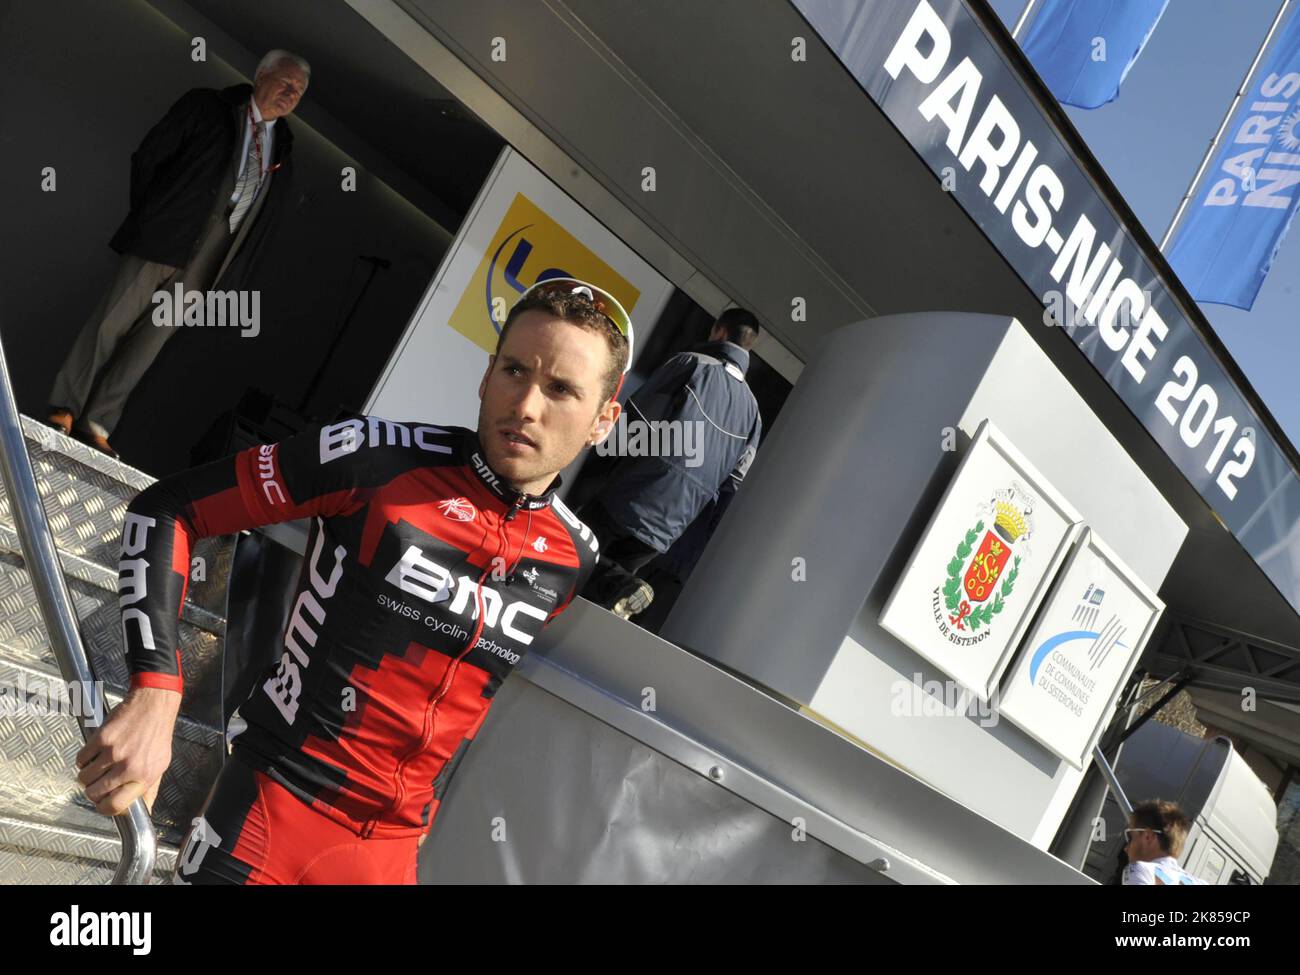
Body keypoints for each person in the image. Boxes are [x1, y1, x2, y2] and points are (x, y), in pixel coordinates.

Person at [74, 278, 632, 884]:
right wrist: (156, 694)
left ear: (604, 420)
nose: (525, 405)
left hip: (389, 856)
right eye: (514, 371)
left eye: (560, 390)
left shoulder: (573, 556)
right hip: (272, 812)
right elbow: (169, 508)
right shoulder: (373, 459)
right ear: (485, 375)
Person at [47, 50, 309, 459]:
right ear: (261, 75)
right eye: (285, 82)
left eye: (299, 91)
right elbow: (150, 157)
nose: (291, 94)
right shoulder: (209, 107)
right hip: (164, 240)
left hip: (208, 266)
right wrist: (153, 218)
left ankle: (97, 422)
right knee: (109, 324)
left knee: (147, 348)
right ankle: (66, 406)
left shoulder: (283, 152)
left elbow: (262, 226)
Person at [579, 307, 762, 618]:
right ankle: (618, 591)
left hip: (632, 495)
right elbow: (734, 479)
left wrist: (602, 466)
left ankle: (624, 585)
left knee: (573, 546)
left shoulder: (691, 364)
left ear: (719, 331)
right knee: (597, 596)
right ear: (749, 345)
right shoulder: (753, 412)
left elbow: (638, 419)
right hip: (672, 524)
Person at [1121, 799, 1209, 885]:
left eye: (1130, 837)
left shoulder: (1141, 869)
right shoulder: (1201, 882)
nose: (1126, 848)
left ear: (1148, 836)